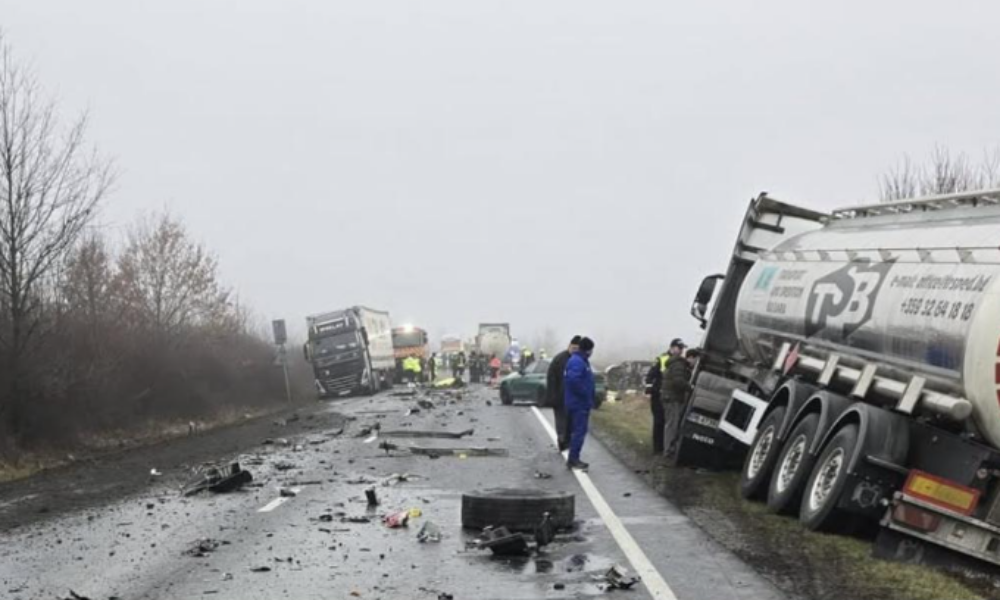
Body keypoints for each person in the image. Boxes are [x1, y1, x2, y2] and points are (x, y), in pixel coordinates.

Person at [564, 336, 596, 470]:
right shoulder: (578, 361)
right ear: (588, 350)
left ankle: (574, 457)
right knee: (579, 431)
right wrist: (585, 394)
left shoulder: (581, 360)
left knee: (578, 431)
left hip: (579, 402)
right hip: (578, 403)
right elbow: (574, 381)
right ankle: (573, 459)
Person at [662, 342, 698, 457]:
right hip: (672, 398)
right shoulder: (679, 365)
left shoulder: (679, 365)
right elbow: (678, 382)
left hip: (670, 397)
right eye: (696, 360)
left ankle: (669, 449)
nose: (696, 363)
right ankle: (668, 450)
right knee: (672, 424)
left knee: (672, 423)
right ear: (691, 358)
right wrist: (690, 387)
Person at [546, 335, 581, 452]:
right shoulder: (559, 359)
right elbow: (551, 379)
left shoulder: (580, 360)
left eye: (577, 348)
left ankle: (568, 441)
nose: (575, 351)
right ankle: (562, 441)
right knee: (561, 421)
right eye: (573, 348)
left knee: (572, 422)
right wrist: (552, 396)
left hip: (574, 398)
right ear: (569, 346)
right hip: (560, 397)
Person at [645, 350, 670, 454]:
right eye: (679, 348)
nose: (681, 350)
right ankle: (657, 448)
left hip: (665, 396)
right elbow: (650, 375)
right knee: (658, 421)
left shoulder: (675, 361)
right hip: (657, 395)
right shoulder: (662, 359)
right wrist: (650, 390)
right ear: (673, 348)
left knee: (664, 421)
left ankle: (662, 446)